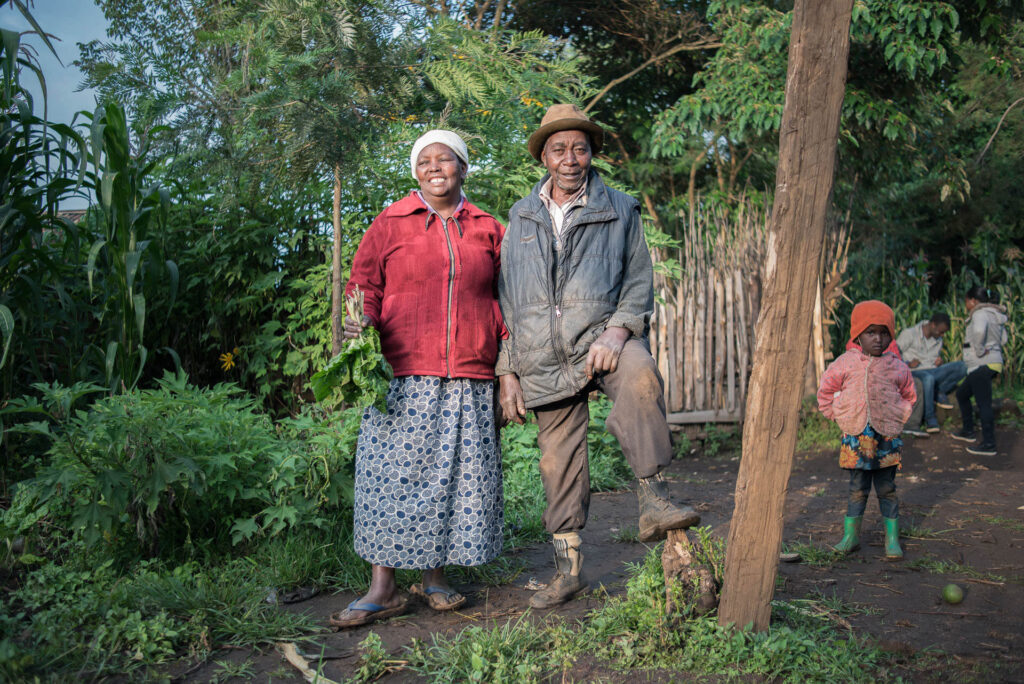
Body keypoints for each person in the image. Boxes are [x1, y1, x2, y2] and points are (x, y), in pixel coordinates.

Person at [496, 104, 700, 609]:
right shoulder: (520, 216)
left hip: (603, 340)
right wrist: (507, 369)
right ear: (544, 155)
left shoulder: (620, 208)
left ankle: (654, 497)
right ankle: (568, 571)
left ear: (592, 154)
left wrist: (616, 333)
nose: (570, 158)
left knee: (639, 373)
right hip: (543, 355)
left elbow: (638, 281)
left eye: (580, 148)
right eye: (559, 148)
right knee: (557, 462)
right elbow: (506, 300)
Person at [329, 130, 506, 629]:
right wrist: (359, 318)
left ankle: (434, 578)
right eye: (425, 161)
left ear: (463, 168)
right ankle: (382, 587)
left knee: (450, 479)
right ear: (415, 172)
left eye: (445, 159)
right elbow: (362, 285)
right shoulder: (391, 222)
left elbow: (505, 299)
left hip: (470, 373)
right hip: (404, 374)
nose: (435, 167)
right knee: (391, 479)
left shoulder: (488, 227)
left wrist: (507, 366)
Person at [817, 300, 916, 561]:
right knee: (857, 487)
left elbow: (909, 394)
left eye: (884, 333)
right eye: (871, 332)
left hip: (887, 438)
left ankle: (892, 539)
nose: (878, 339)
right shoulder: (844, 363)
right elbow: (825, 390)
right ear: (858, 334)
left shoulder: (897, 366)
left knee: (887, 488)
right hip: (856, 435)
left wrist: (899, 417)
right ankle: (851, 537)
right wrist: (836, 415)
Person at [951, 286, 1009, 457]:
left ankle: (989, 444)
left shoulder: (979, 314)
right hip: (993, 363)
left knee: (984, 404)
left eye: (967, 301)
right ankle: (968, 431)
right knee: (962, 394)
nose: (966, 304)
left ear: (973, 301)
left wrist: (979, 350)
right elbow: (1004, 340)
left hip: (982, 364)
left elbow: (978, 331)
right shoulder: (995, 314)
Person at [895, 312, 965, 434]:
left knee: (962, 367)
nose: (942, 335)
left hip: (932, 370)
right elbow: (894, 354)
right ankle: (930, 418)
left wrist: (938, 361)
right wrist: (907, 363)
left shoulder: (938, 339)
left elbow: (933, 359)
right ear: (932, 325)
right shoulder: (909, 334)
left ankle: (938, 391)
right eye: (941, 331)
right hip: (914, 371)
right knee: (928, 379)